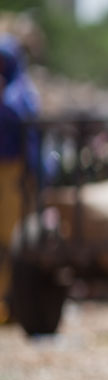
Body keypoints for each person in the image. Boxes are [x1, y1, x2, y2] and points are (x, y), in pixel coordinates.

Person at [0, 35, 40, 321]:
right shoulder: (21, 91)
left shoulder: (15, 96)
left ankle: (7, 302)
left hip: (12, 176)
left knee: (7, 240)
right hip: (14, 176)